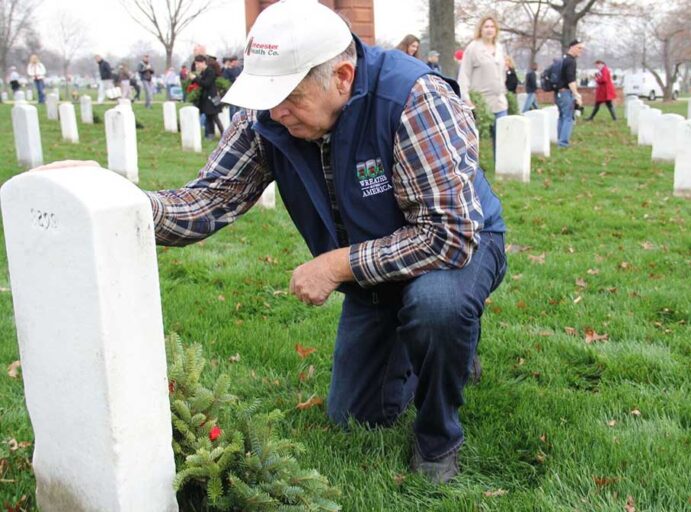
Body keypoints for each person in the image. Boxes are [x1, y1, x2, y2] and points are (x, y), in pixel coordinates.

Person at [147, 0, 504, 483]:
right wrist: (118, 206)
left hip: (459, 247)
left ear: (342, 76)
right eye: (268, 96)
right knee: (354, 415)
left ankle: (438, 437)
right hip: (374, 273)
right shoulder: (268, 120)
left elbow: (448, 235)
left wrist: (338, 265)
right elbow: (210, 200)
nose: (276, 111)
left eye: (289, 95)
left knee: (437, 306)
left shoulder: (412, 98)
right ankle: (441, 348)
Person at [457, 15, 508, 153]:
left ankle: (501, 166)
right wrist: (466, 98)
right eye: (486, 27)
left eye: (492, 27)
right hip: (481, 101)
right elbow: (464, 75)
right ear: (481, 29)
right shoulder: (473, 48)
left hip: (499, 100)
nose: (489, 30)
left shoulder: (500, 48)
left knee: (502, 137)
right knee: (475, 139)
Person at [554, 40, 584, 148]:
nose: (581, 50)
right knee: (568, 117)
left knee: (562, 116)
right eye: (579, 48)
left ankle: (559, 139)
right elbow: (571, 80)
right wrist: (576, 95)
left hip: (558, 92)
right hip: (566, 92)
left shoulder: (562, 59)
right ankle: (563, 143)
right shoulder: (571, 61)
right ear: (572, 47)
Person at [191, 54, 223, 139]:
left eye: (197, 64)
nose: (197, 66)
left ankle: (224, 135)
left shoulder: (210, 71)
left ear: (203, 62)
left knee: (215, 118)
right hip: (206, 99)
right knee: (209, 118)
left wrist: (195, 79)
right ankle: (210, 135)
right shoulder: (203, 72)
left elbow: (206, 84)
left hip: (211, 98)